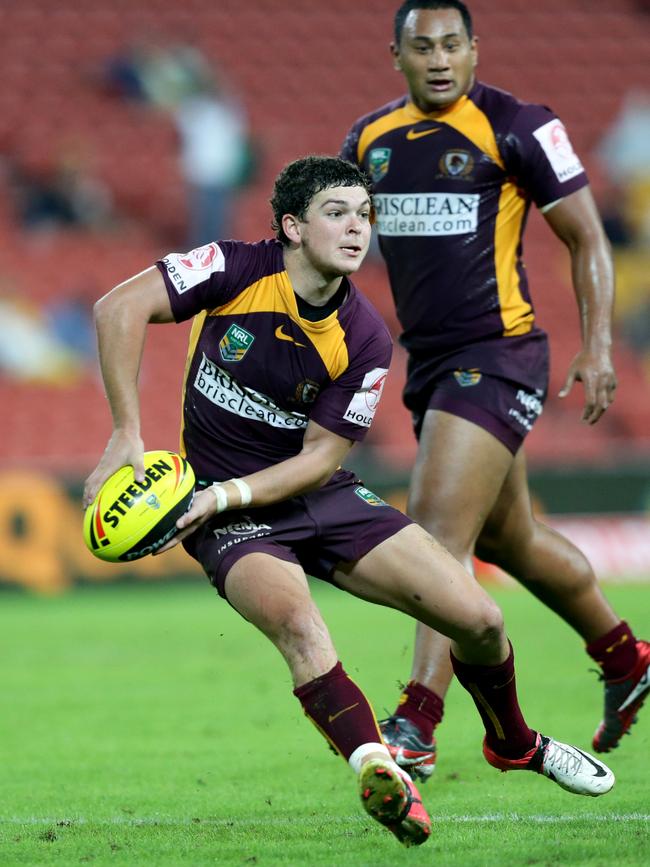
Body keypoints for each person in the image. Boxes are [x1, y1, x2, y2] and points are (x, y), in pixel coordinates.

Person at [83, 156, 614, 848]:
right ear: (292, 227)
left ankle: (513, 741)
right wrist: (129, 428)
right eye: (338, 212)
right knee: (299, 625)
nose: (358, 226)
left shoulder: (364, 335)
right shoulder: (234, 267)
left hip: (307, 492)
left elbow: (321, 459)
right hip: (226, 519)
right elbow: (117, 306)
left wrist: (227, 492)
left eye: (366, 214)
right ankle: (378, 767)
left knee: (479, 617)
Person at [340, 0, 650, 782]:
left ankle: (417, 718)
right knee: (509, 539)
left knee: (437, 531)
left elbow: (585, 235)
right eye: (423, 47)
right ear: (396, 55)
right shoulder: (368, 142)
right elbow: (335, 244)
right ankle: (628, 654)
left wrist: (601, 345)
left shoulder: (517, 125)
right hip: (432, 364)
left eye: (453, 45)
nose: (439, 59)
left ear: (475, 50)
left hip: (501, 353)